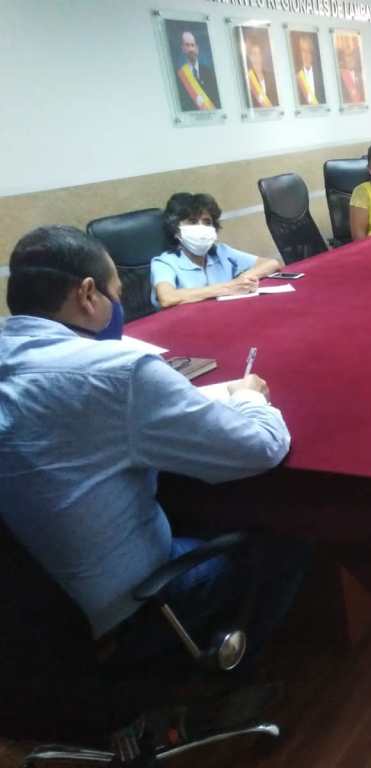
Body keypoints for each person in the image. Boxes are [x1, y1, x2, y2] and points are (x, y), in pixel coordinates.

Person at [0, 225, 308, 665]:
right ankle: (229, 675)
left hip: (37, 616)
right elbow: (261, 447)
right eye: (115, 293)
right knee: (292, 532)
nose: (119, 305)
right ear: (87, 294)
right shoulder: (118, 371)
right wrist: (248, 397)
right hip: (134, 606)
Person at [151, 193, 281, 309]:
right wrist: (228, 287)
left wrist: (244, 279)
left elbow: (272, 264)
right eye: (192, 221)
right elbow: (167, 298)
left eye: (207, 222)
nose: (201, 228)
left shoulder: (221, 252)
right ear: (175, 230)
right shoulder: (164, 262)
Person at [175, 30, 220, 112]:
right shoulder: (180, 76)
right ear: (183, 49)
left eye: (192, 45)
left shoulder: (208, 72)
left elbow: (216, 99)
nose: (191, 49)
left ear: (197, 48)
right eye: (187, 45)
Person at [245, 39, 278, 109]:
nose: (257, 58)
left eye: (259, 54)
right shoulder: (248, 80)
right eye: (254, 54)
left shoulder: (271, 76)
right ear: (250, 57)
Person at [294, 34, 324, 106]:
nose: (306, 55)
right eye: (303, 51)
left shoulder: (321, 76)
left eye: (309, 51)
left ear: (313, 54)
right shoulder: (296, 78)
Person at [335, 34, 366, 105]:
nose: (351, 58)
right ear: (343, 58)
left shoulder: (361, 74)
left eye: (353, 54)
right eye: (348, 55)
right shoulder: (342, 76)